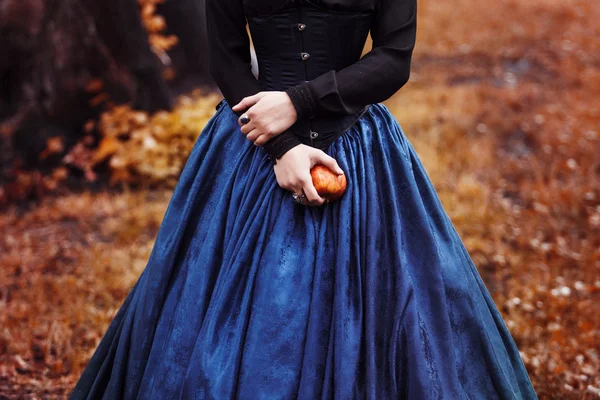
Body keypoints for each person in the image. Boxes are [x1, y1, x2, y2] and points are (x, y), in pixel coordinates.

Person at [69, 0, 539, 398]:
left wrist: (299, 102)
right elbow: (226, 59)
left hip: (353, 142)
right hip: (251, 141)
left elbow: (395, 58)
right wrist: (279, 146)